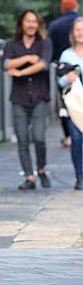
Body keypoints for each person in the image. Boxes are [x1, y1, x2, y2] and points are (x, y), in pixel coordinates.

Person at [3, 9, 53, 190]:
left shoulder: (45, 43)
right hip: (19, 98)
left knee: (39, 137)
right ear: (21, 23)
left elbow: (43, 64)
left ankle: (41, 168)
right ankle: (29, 177)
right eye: (28, 21)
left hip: (40, 97)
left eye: (35, 21)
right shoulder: (11, 44)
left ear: (38, 24)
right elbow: (6, 64)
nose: (31, 24)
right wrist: (28, 58)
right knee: (22, 139)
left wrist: (20, 71)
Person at [49, 0, 80, 147]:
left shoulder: (55, 25)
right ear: (76, 7)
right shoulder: (80, 22)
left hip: (62, 69)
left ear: (62, 8)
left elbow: (50, 49)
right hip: (77, 68)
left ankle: (68, 134)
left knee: (65, 103)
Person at [56, 16, 83, 190]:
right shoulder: (66, 54)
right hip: (75, 105)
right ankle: (79, 176)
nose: (81, 33)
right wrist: (68, 77)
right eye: (78, 30)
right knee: (76, 138)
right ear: (73, 33)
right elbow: (59, 81)